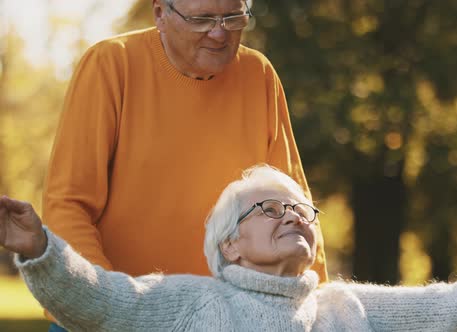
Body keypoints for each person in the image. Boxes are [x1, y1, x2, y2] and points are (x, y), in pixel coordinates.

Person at [2, 164, 457, 331]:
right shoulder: (188, 303)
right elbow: (103, 301)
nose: (294, 217)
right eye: (269, 207)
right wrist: (43, 249)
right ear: (229, 245)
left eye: (302, 209)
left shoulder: (347, 308)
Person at [43, 0, 328, 329]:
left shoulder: (259, 74)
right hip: (111, 315)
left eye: (233, 18)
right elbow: (68, 204)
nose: (220, 33)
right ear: (161, 14)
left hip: (221, 319)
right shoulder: (110, 64)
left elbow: (296, 203)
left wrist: (314, 311)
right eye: (202, 19)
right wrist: (106, 303)